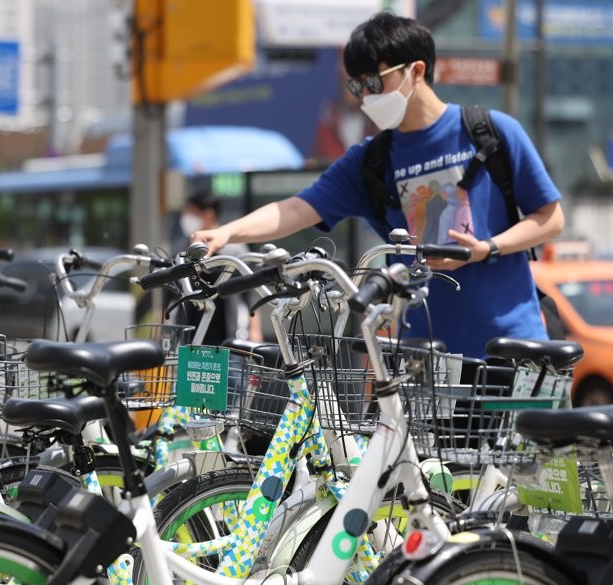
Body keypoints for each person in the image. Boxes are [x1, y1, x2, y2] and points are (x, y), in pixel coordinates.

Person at [190, 12, 564, 359]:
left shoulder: (491, 131)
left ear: (416, 71)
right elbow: (296, 208)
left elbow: (550, 219)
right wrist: (226, 233)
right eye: (357, 86)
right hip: (424, 357)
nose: (366, 97)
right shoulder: (371, 160)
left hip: (512, 346)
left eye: (374, 81)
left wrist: (486, 248)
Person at [176, 190, 264, 346]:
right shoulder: (183, 249)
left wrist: (255, 330)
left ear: (208, 214)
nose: (186, 219)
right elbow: (172, 294)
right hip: (190, 334)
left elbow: (250, 295)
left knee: (230, 368)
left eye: (191, 213)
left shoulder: (235, 251)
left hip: (227, 333)